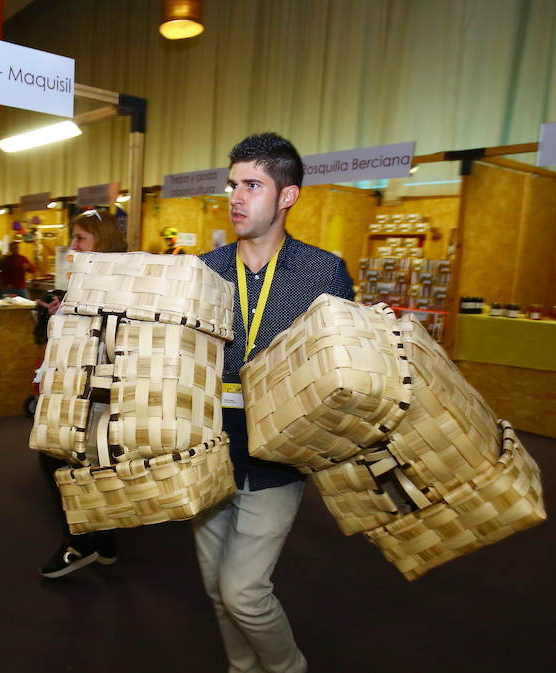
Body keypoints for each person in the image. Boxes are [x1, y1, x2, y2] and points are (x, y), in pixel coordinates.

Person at [194, 133, 354, 673]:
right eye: (233, 184)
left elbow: (343, 371)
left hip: (278, 460)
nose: (236, 197)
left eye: (253, 185)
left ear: (288, 196)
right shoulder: (204, 270)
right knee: (218, 592)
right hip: (207, 454)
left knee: (243, 591)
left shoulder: (323, 274)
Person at [36, 209, 127, 578]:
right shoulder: (88, 280)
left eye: (80, 238)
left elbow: (112, 334)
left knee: (65, 460)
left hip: (98, 391)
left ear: (99, 242)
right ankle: (102, 543)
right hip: (81, 386)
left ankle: (82, 541)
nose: (72, 245)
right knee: (87, 464)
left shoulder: (115, 283)